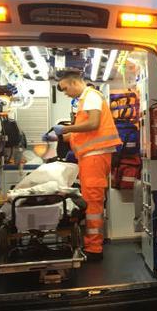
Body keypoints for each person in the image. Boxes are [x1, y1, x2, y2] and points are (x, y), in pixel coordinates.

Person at [46, 70, 121, 261]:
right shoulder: (85, 100)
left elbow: (93, 124)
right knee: (91, 200)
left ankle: (94, 249)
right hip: (91, 156)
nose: (65, 93)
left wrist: (67, 128)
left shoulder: (91, 97)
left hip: (95, 156)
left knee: (93, 201)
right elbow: (84, 132)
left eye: (64, 89)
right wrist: (59, 136)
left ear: (73, 82)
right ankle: (92, 243)